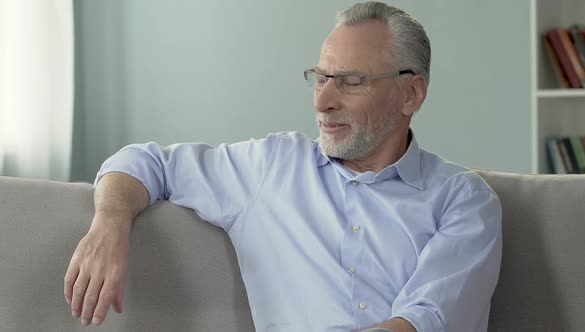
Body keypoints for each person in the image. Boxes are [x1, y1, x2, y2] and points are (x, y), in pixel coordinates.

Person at [64, 2, 502, 331]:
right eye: (321, 77)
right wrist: (109, 224)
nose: (323, 101)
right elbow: (145, 161)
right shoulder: (270, 168)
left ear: (412, 94)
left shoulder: (463, 199)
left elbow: (426, 319)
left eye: (351, 81)